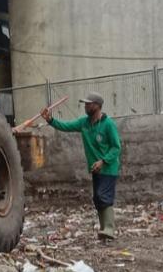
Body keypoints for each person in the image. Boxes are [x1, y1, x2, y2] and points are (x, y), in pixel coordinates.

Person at [41, 92, 122, 239]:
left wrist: (103, 161)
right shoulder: (84, 123)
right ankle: (104, 230)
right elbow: (66, 126)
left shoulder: (108, 124)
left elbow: (116, 147)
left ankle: (110, 228)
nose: (85, 106)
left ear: (97, 106)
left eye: (88, 104)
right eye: (85, 104)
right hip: (95, 169)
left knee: (103, 195)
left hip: (108, 168)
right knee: (97, 198)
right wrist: (51, 120)